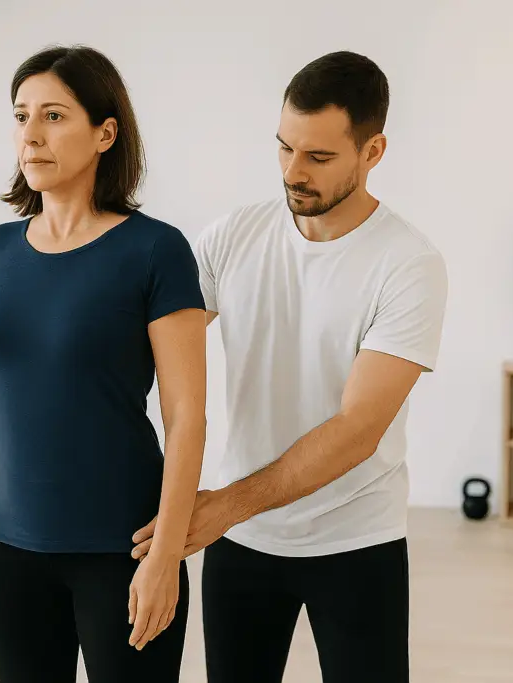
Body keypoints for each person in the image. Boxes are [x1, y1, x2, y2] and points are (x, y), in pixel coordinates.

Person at [131, 50, 449, 682]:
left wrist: (224, 507)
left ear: (373, 150)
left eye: (318, 157)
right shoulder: (232, 238)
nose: (292, 172)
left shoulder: (409, 264)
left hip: (357, 541)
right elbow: (138, 356)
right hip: (245, 545)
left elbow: (359, 429)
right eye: (284, 148)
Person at [0, 44, 208, 683]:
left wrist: (167, 552)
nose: (31, 135)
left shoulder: (155, 250)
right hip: (9, 549)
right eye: (21, 115)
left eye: (54, 116)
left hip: (123, 551)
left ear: (105, 133)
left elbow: (187, 415)